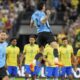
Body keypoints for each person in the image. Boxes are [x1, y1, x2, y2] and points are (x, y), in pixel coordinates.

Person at [30, 2, 59, 66]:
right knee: (55, 46)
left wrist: (36, 24)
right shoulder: (42, 13)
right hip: (46, 32)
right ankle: (56, 60)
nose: (45, 7)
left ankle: (33, 62)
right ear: (43, 7)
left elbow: (31, 25)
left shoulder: (33, 14)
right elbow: (42, 21)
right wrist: (48, 15)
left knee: (41, 52)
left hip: (39, 33)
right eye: (44, 6)